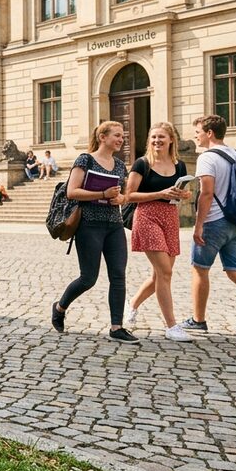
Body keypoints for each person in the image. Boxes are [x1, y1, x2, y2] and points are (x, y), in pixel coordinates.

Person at [180, 115, 236, 339]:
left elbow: (207, 193)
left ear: (209, 133)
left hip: (215, 222)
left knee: (200, 269)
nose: (195, 136)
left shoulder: (207, 157)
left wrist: (198, 225)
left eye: (198, 131)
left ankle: (198, 321)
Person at [50, 121, 137, 343]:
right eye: (117, 135)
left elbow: (123, 195)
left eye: (122, 136)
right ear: (103, 137)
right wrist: (102, 192)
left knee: (118, 275)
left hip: (114, 224)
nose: (121, 139)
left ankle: (117, 327)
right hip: (89, 225)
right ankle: (60, 307)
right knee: (88, 278)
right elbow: (71, 192)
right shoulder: (85, 159)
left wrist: (120, 198)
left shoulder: (119, 165)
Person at [123, 122, 193, 342]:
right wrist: (160, 193)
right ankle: (171, 326)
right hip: (146, 216)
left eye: (161, 137)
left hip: (170, 218)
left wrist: (185, 195)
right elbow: (129, 196)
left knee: (159, 275)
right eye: (153, 137)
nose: (157, 141)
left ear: (171, 140)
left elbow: (183, 191)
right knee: (165, 272)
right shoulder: (141, 164)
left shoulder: (179, 166)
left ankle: (132, 304)